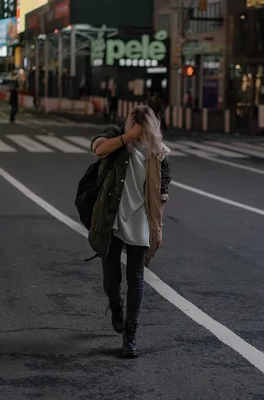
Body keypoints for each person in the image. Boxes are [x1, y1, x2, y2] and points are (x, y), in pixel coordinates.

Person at [90, 105, 172, 358]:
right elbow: (97, 148)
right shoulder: (116, 136)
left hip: (140, 221)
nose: (140, 133)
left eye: (143, 129)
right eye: (136, 127)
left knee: (136, 277)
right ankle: (116, 306)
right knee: (110, 278)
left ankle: (130, 336)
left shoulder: (159, 155)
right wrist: (127, 136)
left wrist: (158, 228)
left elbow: (161, 197)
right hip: (112, 218)